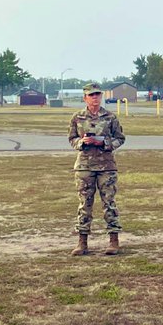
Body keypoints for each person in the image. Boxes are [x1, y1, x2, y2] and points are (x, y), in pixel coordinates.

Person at [67, 83, 125, 256]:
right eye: (91, 95)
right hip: (84, 166)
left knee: (109, 203)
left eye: (97, 95)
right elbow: (72, 138)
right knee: (85, 204)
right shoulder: (77, 117)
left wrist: (104, 143)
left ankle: (113, 241)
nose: (95, 98)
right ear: (85, 98)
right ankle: (82, 242)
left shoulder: (110, 117)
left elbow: (120, 138)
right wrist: (81, 143)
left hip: (106, 166)